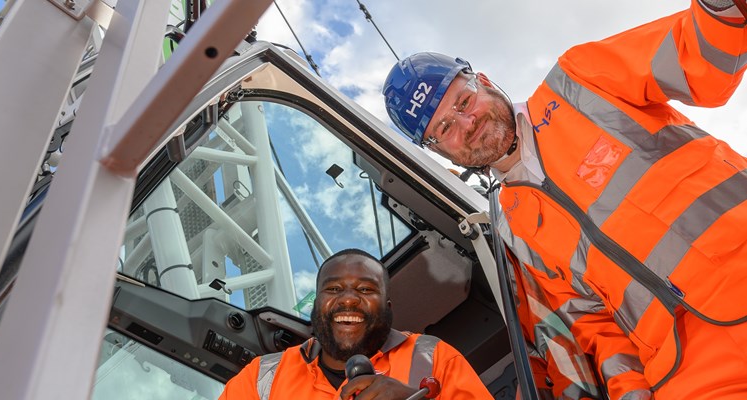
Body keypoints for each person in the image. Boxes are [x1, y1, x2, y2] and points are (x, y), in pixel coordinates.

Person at [382, 1, 747, 399]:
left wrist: (722, 10)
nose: (468, 125)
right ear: (436, 150)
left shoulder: (578, 81)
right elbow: (592, 325)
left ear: (482, 80)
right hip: (685, 363)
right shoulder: (512, 228)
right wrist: (631, 392)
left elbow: (694, 53)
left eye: (463, 102)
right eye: (445, 128)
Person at [218, 249, 493, 399]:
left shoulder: (434, 357)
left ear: (388, 308)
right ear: (316, 307)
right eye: (334, 289)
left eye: (364, 290)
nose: (348, 300)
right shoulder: (263, 377)